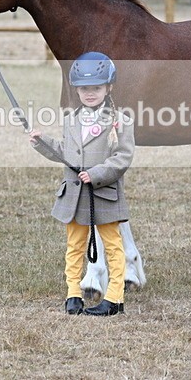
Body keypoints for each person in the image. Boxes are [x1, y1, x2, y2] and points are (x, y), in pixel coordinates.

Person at [29, 52, 134, 316]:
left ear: (108, 87)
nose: (90, 93)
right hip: (75, 196)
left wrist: (97, 173)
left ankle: (114, 297)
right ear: (76, 89)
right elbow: (66, 151)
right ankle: (73, 294)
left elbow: (123, 157)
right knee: (74, 245)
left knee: (112, 244)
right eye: (84, 89)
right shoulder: (71, 119)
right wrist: (43, 143)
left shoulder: (119, 120)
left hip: (104, 192)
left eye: (96, 88)